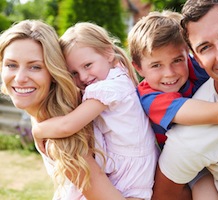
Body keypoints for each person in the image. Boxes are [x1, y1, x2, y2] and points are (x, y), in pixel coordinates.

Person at [127, 10, 218, 200]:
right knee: (205, 193)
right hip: (186, 166)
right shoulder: (151, 99)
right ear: (138, 68)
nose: (170, 73)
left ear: (189, 54)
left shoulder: (194, 65)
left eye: (177, 60)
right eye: (156, 65)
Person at [0, 19, 127, 200]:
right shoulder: (47, 112)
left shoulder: (60, 137)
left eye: (35, 67)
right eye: (11, 65)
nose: (20, 78)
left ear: (53, 72)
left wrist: (38, 131)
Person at [32, 22, 159, 200]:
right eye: (73, 73)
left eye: (87, 65)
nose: (83, 77)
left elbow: (68, 125)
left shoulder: (109, 88)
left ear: (108, 53)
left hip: (128, 176)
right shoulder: (119, 76)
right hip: (132, 172)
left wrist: (37, 131)